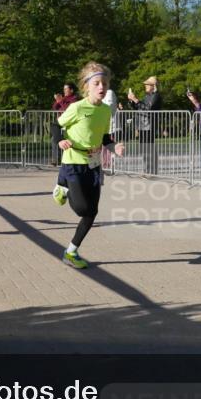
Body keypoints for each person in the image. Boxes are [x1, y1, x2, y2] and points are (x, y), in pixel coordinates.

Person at [51, 62, 125, 269]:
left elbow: (104, 137)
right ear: (87, 86)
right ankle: (62, 185)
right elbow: (57, 125)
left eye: (105, 83)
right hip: (74, 162)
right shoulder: (77, 107)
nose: (101, 87)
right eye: (97, 83)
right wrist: (59, 141)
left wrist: (113, 147)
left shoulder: (105, 111)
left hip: (93, 165)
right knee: (83, 208)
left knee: (91, 212)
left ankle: (71, 252)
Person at [126, 76, 162, 175]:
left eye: (147, 84)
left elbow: (148, 110)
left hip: (149, 125)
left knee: (149, 148)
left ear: (153, 86)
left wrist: (136, 100)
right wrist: (131, 100)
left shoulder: (156, 96)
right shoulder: (147, 96)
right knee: (144, 149)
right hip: (142, 125)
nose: (145, 85)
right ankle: (147, 170)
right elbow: (139, 108)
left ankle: (151, 171)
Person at [50, 83, 79, 166]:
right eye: (64, 89)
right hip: (61, 123)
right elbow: (55, 108)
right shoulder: (63, 99)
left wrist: (61, 101)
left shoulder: (75, 99)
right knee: (55, 139)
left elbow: (67, 109)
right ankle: (56, 160)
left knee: (68, 141)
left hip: (71, 124)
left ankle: (69, 161)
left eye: (66, 89)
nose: (64, 91)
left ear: (71, 90)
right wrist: (57, 101)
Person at [101, 87, 119, 169]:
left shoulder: (109, 92)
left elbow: (109, 107)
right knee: (104, 147)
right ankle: (105, 164)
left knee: (110, 146)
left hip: (111, 126)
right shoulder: (102, 93)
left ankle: (111, 165)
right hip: (104, 126)